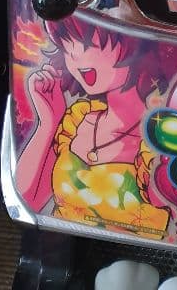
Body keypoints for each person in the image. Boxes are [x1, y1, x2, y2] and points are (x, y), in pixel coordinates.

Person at [14, 14, 169, 238]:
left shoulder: (161, 134)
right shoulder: (79, 117)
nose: (74, 56)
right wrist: (48, 122)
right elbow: (27, 201)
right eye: (66, 46)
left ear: (132, 42)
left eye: (86, 43)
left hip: (143, 253)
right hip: (65, 244)